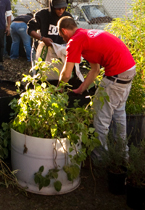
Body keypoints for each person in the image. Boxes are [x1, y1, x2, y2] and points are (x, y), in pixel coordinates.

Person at [57, 16, 135, 160]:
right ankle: (123, 155)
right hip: (129, 68)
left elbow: (66, 74)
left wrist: (59, 90)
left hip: (117, 74)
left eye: (62, 37)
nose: (64, 40)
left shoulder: (74, 41)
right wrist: (81, 89)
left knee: (99, 118)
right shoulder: (87, 35)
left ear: (64, 31)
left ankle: (100, 160)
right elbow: (95, 70)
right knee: (118, 112)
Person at [28, 0, 72, 79]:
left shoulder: (67, 17)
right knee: (38, 76)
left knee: (58, 76)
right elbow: (30, 30)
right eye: (58, 8)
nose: (61, 10)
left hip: (58, 51)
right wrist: (42, 38)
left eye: (63, 8)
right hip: (41, 51)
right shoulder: (42, 15)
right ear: (52, 6)